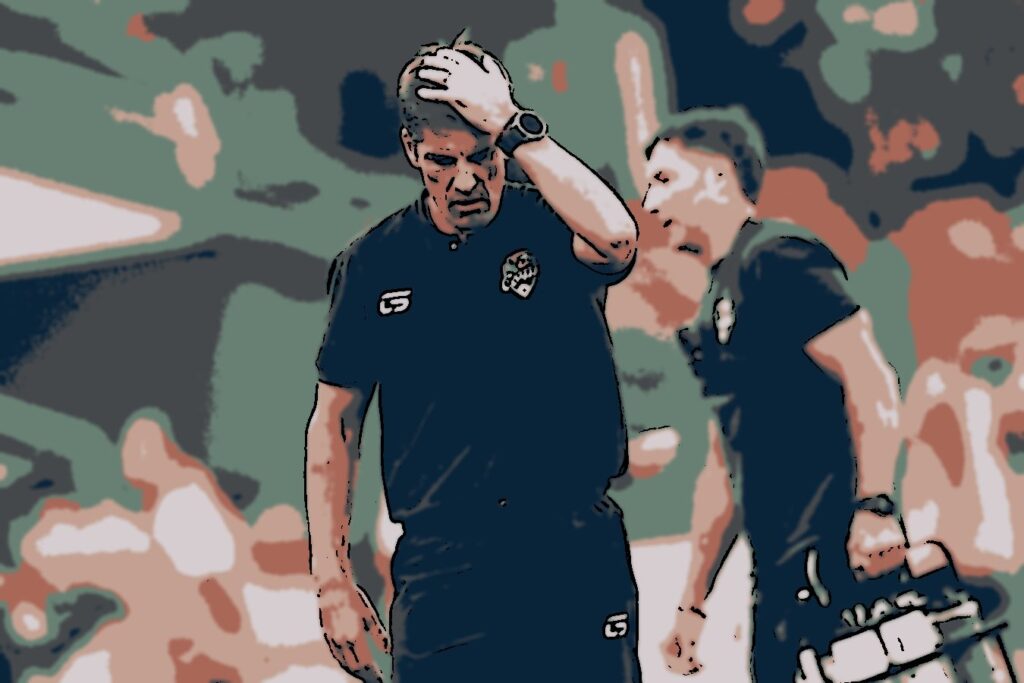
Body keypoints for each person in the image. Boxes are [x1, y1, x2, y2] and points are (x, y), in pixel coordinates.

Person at [305, 34, 641, 682]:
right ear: (411, 150)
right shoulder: (373, 263)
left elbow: (618, 239)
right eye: (442, 160)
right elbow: (334, 424)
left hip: (572, 545)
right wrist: (332, 581)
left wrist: (514, 124)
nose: (465, 180)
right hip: (444, 567)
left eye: (482, 155)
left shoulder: (551, 221)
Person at [638, 107, 909, 680]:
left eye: (663, 179)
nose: (649, 203)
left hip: (838, 560)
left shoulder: (778, 257)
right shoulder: (710, 310)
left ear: (718, 176)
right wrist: (692, 604)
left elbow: (869, 377)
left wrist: (876, 508)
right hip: (781, 576)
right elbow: (726, 464)